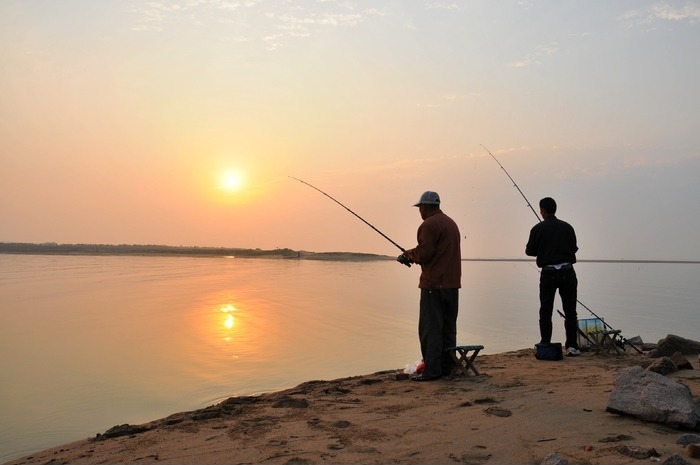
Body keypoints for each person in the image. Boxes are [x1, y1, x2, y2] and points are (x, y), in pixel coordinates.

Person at [399, 191, 462, 381]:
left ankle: (432, 371)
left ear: (426, 207)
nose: (420, 212)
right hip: (452, 285)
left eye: (420, 208)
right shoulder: (451, 223)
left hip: (433, 286)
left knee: (430, 329)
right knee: (448, 329)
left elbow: (425, 253)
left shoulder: (428, 225)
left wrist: (407, 255)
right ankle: (448, 367)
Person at [525, 197, 581, 357]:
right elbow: (573, 248)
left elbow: (529, 251)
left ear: (542, 211)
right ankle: (572, 346)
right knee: (571, 311)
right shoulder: (567, 227)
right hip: (568, 272)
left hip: (548, 273)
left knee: (545, 310)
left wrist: (544, 248)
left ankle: (545, 343)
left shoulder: (538, 228)